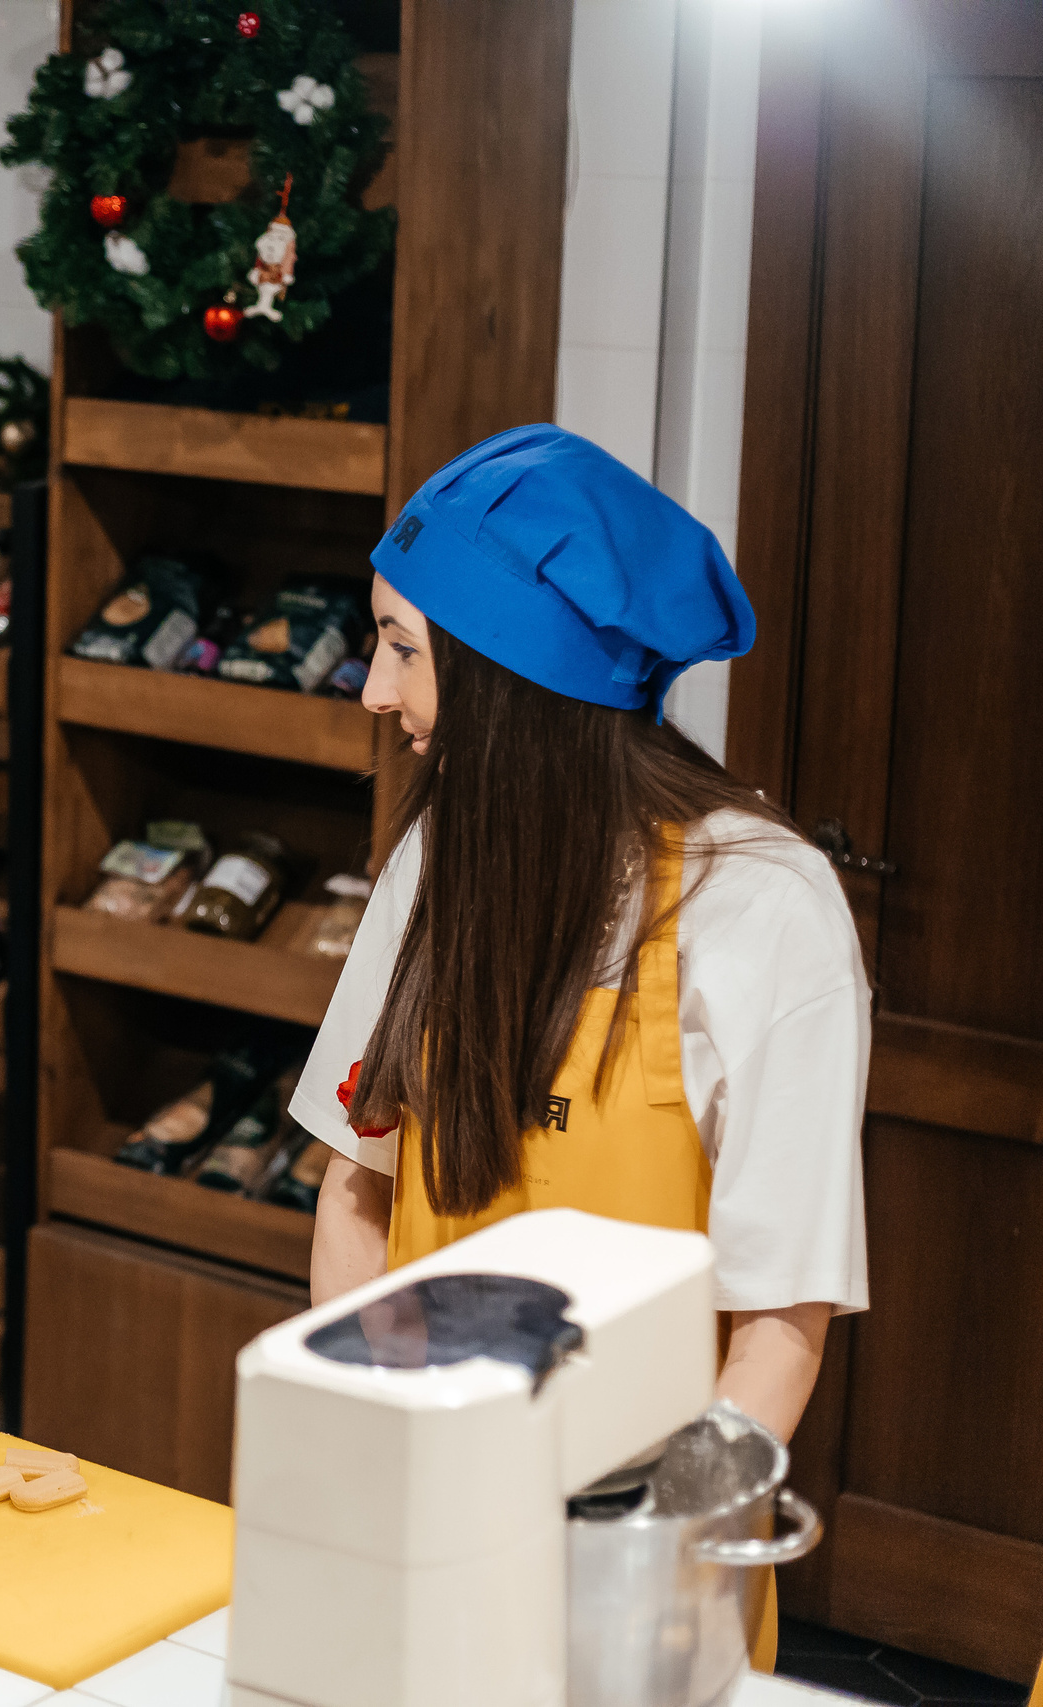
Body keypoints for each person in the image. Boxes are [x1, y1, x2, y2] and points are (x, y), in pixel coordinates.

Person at [292, 423, 869, 1672]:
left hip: (636, 1570)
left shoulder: (761, 907)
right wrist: (367, 1451)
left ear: (508, 672)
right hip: (420, 1519)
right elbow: (355, 1188)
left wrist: (638, 1574)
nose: (370, 689)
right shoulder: (439, 863)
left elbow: (778, 1324)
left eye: (399, 647)